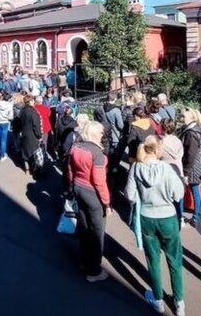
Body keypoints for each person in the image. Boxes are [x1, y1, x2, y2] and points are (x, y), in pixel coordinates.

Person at [125, 135, 186, 315]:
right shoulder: (167, 169)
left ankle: (158, 300)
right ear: (159, 149)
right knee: (174, 259)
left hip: (146, 217)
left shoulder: (136, 167)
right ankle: (179, 302)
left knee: (153, 260)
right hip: (167, 217)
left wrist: (143, 199)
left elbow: (129, 194)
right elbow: (178, 195)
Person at [67, 121, 111, 282]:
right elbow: (99, 181)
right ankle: (94, 271)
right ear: (94, 134)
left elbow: (70, 169)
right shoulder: (98, 154)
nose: (102, 135)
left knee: (84, 227)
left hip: (78, 187)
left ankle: (84, 262)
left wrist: (72, 186)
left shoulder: (75, 147)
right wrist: (106, 202)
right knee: (98, 231)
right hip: (92, 193)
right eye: (100, 133)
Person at [180, 107, 201, 222]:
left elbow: (190, 154)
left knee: (195, 190)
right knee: (197, 190)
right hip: (199, 165)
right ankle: (198, 214)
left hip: (193, 167)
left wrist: (186, 172)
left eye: (184, 116)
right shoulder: (198, 129)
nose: (182, 118)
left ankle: (197, 217)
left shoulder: (191, 133)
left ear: (192, 117)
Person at [161, 118, 186, 228]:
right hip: (178, 170)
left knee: (168, 198)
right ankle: (181, 218)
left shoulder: (161, 143)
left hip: (166, 174)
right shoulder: (178, 141)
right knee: (179, 196)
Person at [18, 95, 43, 176]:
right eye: (32, 101)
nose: (34, 102)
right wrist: (39, 136)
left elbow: (19, 122)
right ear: (29, 102)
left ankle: (27, 169)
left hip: (24, 133)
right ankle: (35, 172)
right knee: (33, 154)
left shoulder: (22, 110)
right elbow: (36, 125)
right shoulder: (33, 112)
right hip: (32, 136)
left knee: (25, 152)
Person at [103, 93, 124, 173]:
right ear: (114, 99)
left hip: (105, 134)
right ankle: (113, 172)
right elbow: (120, 125)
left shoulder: (102, 108)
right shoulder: (116, 110)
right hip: (115, 136)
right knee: (114, 155)